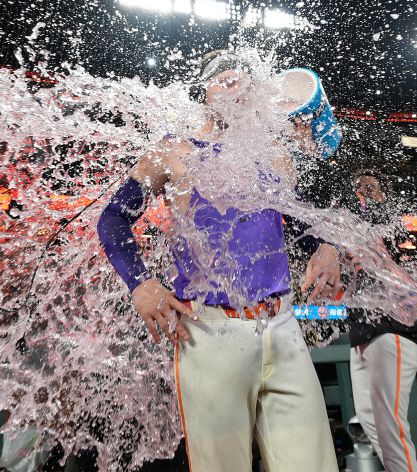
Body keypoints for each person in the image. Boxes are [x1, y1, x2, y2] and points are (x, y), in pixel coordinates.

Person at [98, 50, 341, 471]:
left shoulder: (274, 156)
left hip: (282, 326)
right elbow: (113, 218)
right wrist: (140, 282)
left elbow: (298, 221)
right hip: (209, 333)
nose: (233, 80)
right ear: (203, 92)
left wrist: (325, 246)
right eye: (220, 76)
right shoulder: (173, 152)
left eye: (242, 75)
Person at [346, 170, 417, 472]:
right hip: (361, 337)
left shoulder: (389, 224)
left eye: (370, 186)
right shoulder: (350, 227)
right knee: (369, 418)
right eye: (359, 187)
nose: (363, 190)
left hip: (393, 332)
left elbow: (394, 240)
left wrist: (374, 201)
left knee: (390, 424)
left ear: (382, 193)